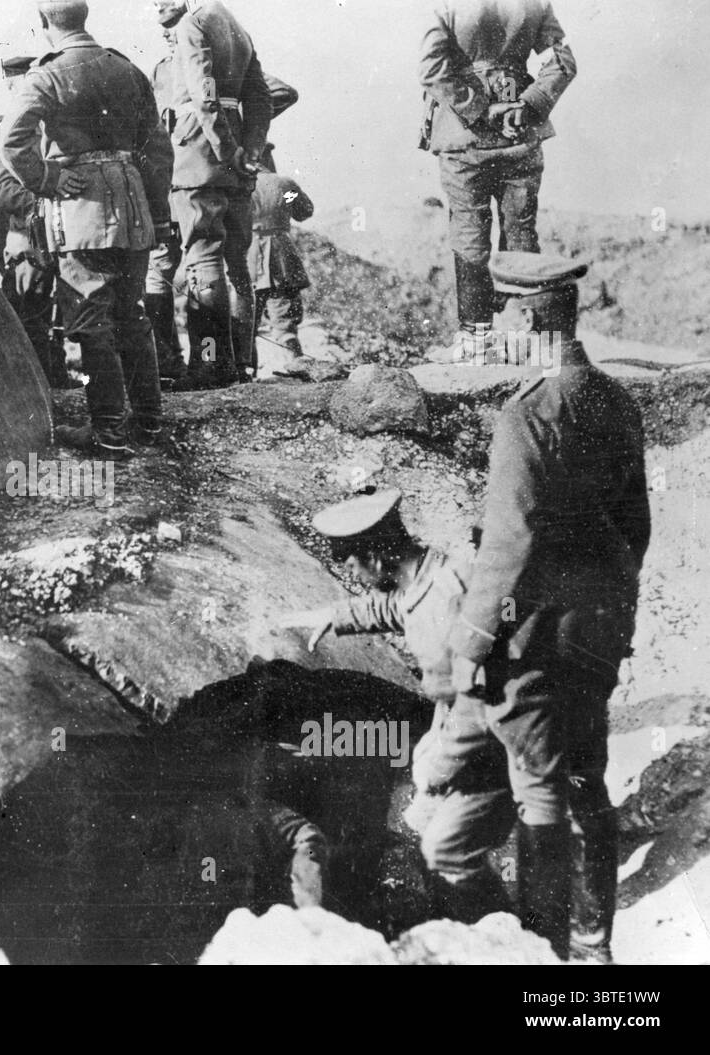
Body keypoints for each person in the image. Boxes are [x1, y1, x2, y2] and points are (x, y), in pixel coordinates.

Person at [446, 252, 650, 961]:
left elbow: (510, 541)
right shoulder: (616, 401)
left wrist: (470, 646)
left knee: (540, 792)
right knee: (587, 775)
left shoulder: (527, 414)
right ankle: (593, 947)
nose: (497, 323)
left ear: (528, 317)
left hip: (535, 641)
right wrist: (613, 614)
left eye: (502, 310)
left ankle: (543, 957)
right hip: (595, 633)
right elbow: (635, 527)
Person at [277, 490, 514, 924]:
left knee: (441, 849)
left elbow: (476, 704)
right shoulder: (425, 579)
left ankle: (504, 930)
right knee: (419, 829)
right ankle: (467, 917)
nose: (350, 572)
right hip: (464, 728)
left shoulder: (448, 597)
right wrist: (337, 615)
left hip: (494, 741)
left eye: (351, 562)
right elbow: (399, 608)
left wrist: (437, 771)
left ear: (376, 555)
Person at [0, 0, 173, 458]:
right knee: (132, 315)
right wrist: (157, 212)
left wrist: (47, 180)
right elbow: (157, 147)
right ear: (84, 18)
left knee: (92, 321)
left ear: (44, 23)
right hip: (133, 206)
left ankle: (110, 433)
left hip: (81, 213)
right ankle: (151, 424)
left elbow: (10, 140)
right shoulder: (128, 69)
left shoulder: (46, 75)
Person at [419, 0, 576, 362]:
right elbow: (564, 61)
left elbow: (430, 67)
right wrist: (528, 104)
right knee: (521, 232)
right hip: (520, 130)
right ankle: (523, 337)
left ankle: (476, 344)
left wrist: (479, 108)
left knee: (469, 235)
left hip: (462, 133)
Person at [153, 0, 273, 389]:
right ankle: (237, 364)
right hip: (235, 155)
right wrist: (249, 151)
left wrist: (225, 151)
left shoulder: (193, 23)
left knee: (201, 260)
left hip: (198, 153)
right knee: (236, 263)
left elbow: (204, 96)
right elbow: (262, 99)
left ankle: (206, 365)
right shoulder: (238, 28)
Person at [0, 56, 73, 390]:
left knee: (63, 310)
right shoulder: (3, 128)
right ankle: (34, 384)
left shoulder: (55, 124)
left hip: (60, 231)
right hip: (28, 231)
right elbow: (3, 188)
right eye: (20, 84)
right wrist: (43, 204)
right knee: (29, 309)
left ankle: (57, 373)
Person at [249, 144, 314, 375]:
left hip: (248, 253)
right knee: (284, 314)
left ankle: (247, 370)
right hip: (281, 254)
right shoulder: (284, 184)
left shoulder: (238, 184)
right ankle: (295, 362)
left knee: (247, 318)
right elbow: (304, 211)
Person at [145, 27, 186, 386]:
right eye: (167, 35)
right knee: (158, 274)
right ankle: (170, 361)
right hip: (169, 187)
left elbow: (278, 93)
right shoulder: (160, 71)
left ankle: (218, 362)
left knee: (210, 273)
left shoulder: (217, 65)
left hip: (203, 180)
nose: (170, 38)